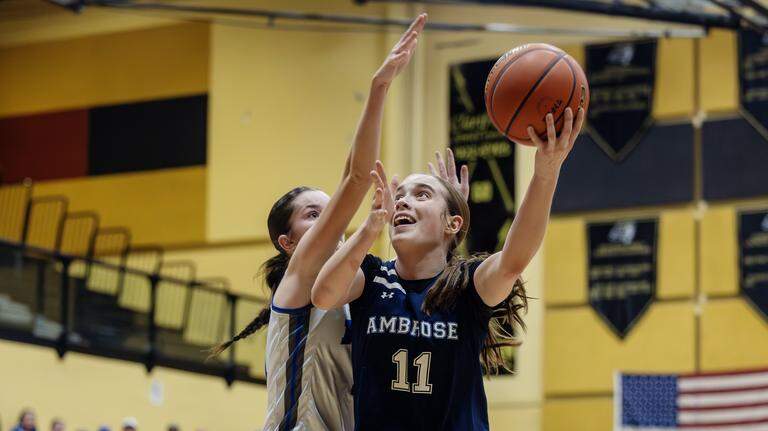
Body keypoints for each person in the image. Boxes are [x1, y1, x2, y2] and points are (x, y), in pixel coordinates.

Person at [207, 14, 428, 431]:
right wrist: (379, 86)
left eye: (329, 210)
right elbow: (357, 179)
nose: (330, 219)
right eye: (314, 214)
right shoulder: (299, 284)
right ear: (288, 244)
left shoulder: (353, 289)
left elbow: (351, 174)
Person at [312, 108, 585, 430]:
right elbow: (323, 296)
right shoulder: (371, 277)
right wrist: (369, 229)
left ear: (453, 223)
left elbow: (515, 258)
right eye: (399, 196)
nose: (402, 202)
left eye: (422, 195)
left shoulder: (467, 285)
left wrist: (546, 173)